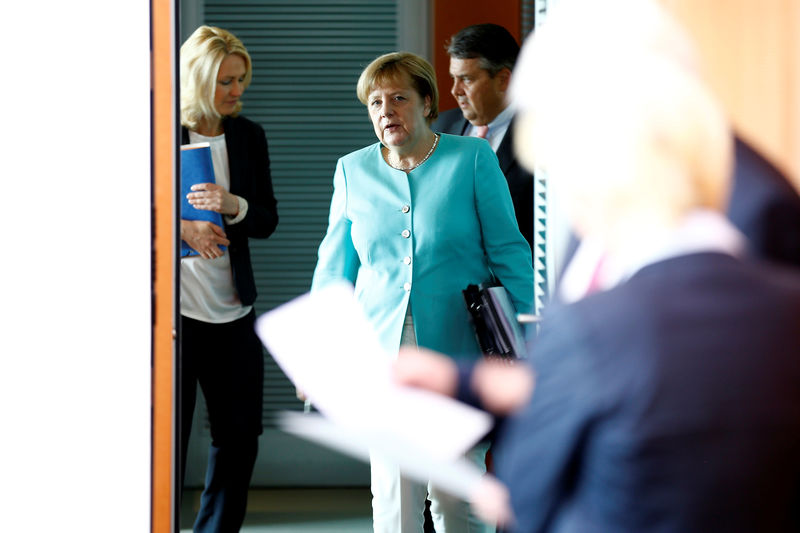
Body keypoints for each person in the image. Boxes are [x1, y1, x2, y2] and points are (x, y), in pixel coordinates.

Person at [393, 1, 800, 531]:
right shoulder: (606, 187)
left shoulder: (754, 204)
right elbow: (623, 363)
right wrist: (471, 382)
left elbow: (711, 390)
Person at [311, 51, 533, 533]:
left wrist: (529, 338)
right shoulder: (352, 170)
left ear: (427, 102)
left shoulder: (472, 160)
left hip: (458, 353)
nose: (385, 110)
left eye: (397, 98)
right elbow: (334, 274)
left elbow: (509, 253)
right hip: (381, 357)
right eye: (374, 103)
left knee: (456, 498)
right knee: (394, 500)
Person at [179, 25, 279, 532]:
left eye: (241, 80)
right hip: (173, 320)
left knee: (239, 440)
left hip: (235, 311)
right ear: (197, 80)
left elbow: (267, 219)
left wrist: (233, 205)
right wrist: (182, 226)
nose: (237, 91)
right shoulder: (158, 133)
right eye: (226, 81)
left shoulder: (248, 136)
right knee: (165, 442)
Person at [433, 24, 534, 250]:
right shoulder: (440, 128)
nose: (455, 90)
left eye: (466, 79)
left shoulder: (538, 137)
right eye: (453, 78)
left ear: (503, 80)